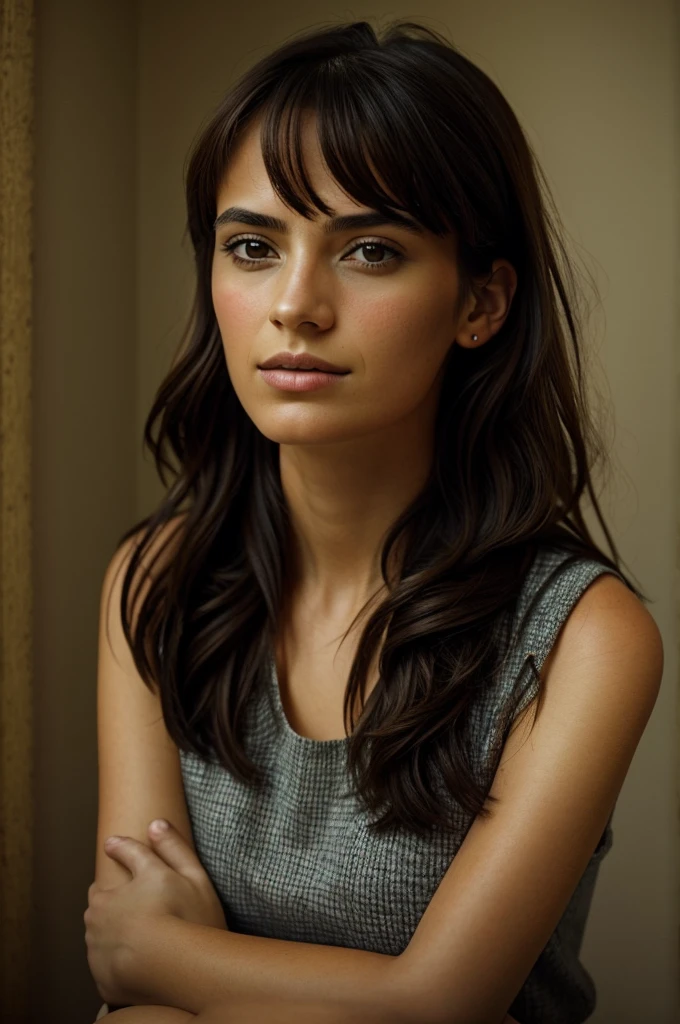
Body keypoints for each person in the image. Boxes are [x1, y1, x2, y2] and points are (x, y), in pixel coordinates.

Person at [84, 18, 663, 1024]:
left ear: (479, 302)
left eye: (368, 249)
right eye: (253, 246)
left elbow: (439, 1003)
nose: (296, 305)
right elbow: (130, 951)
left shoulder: (583, 639)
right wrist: (155, 966)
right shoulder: (154, 580)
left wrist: (165, 960)